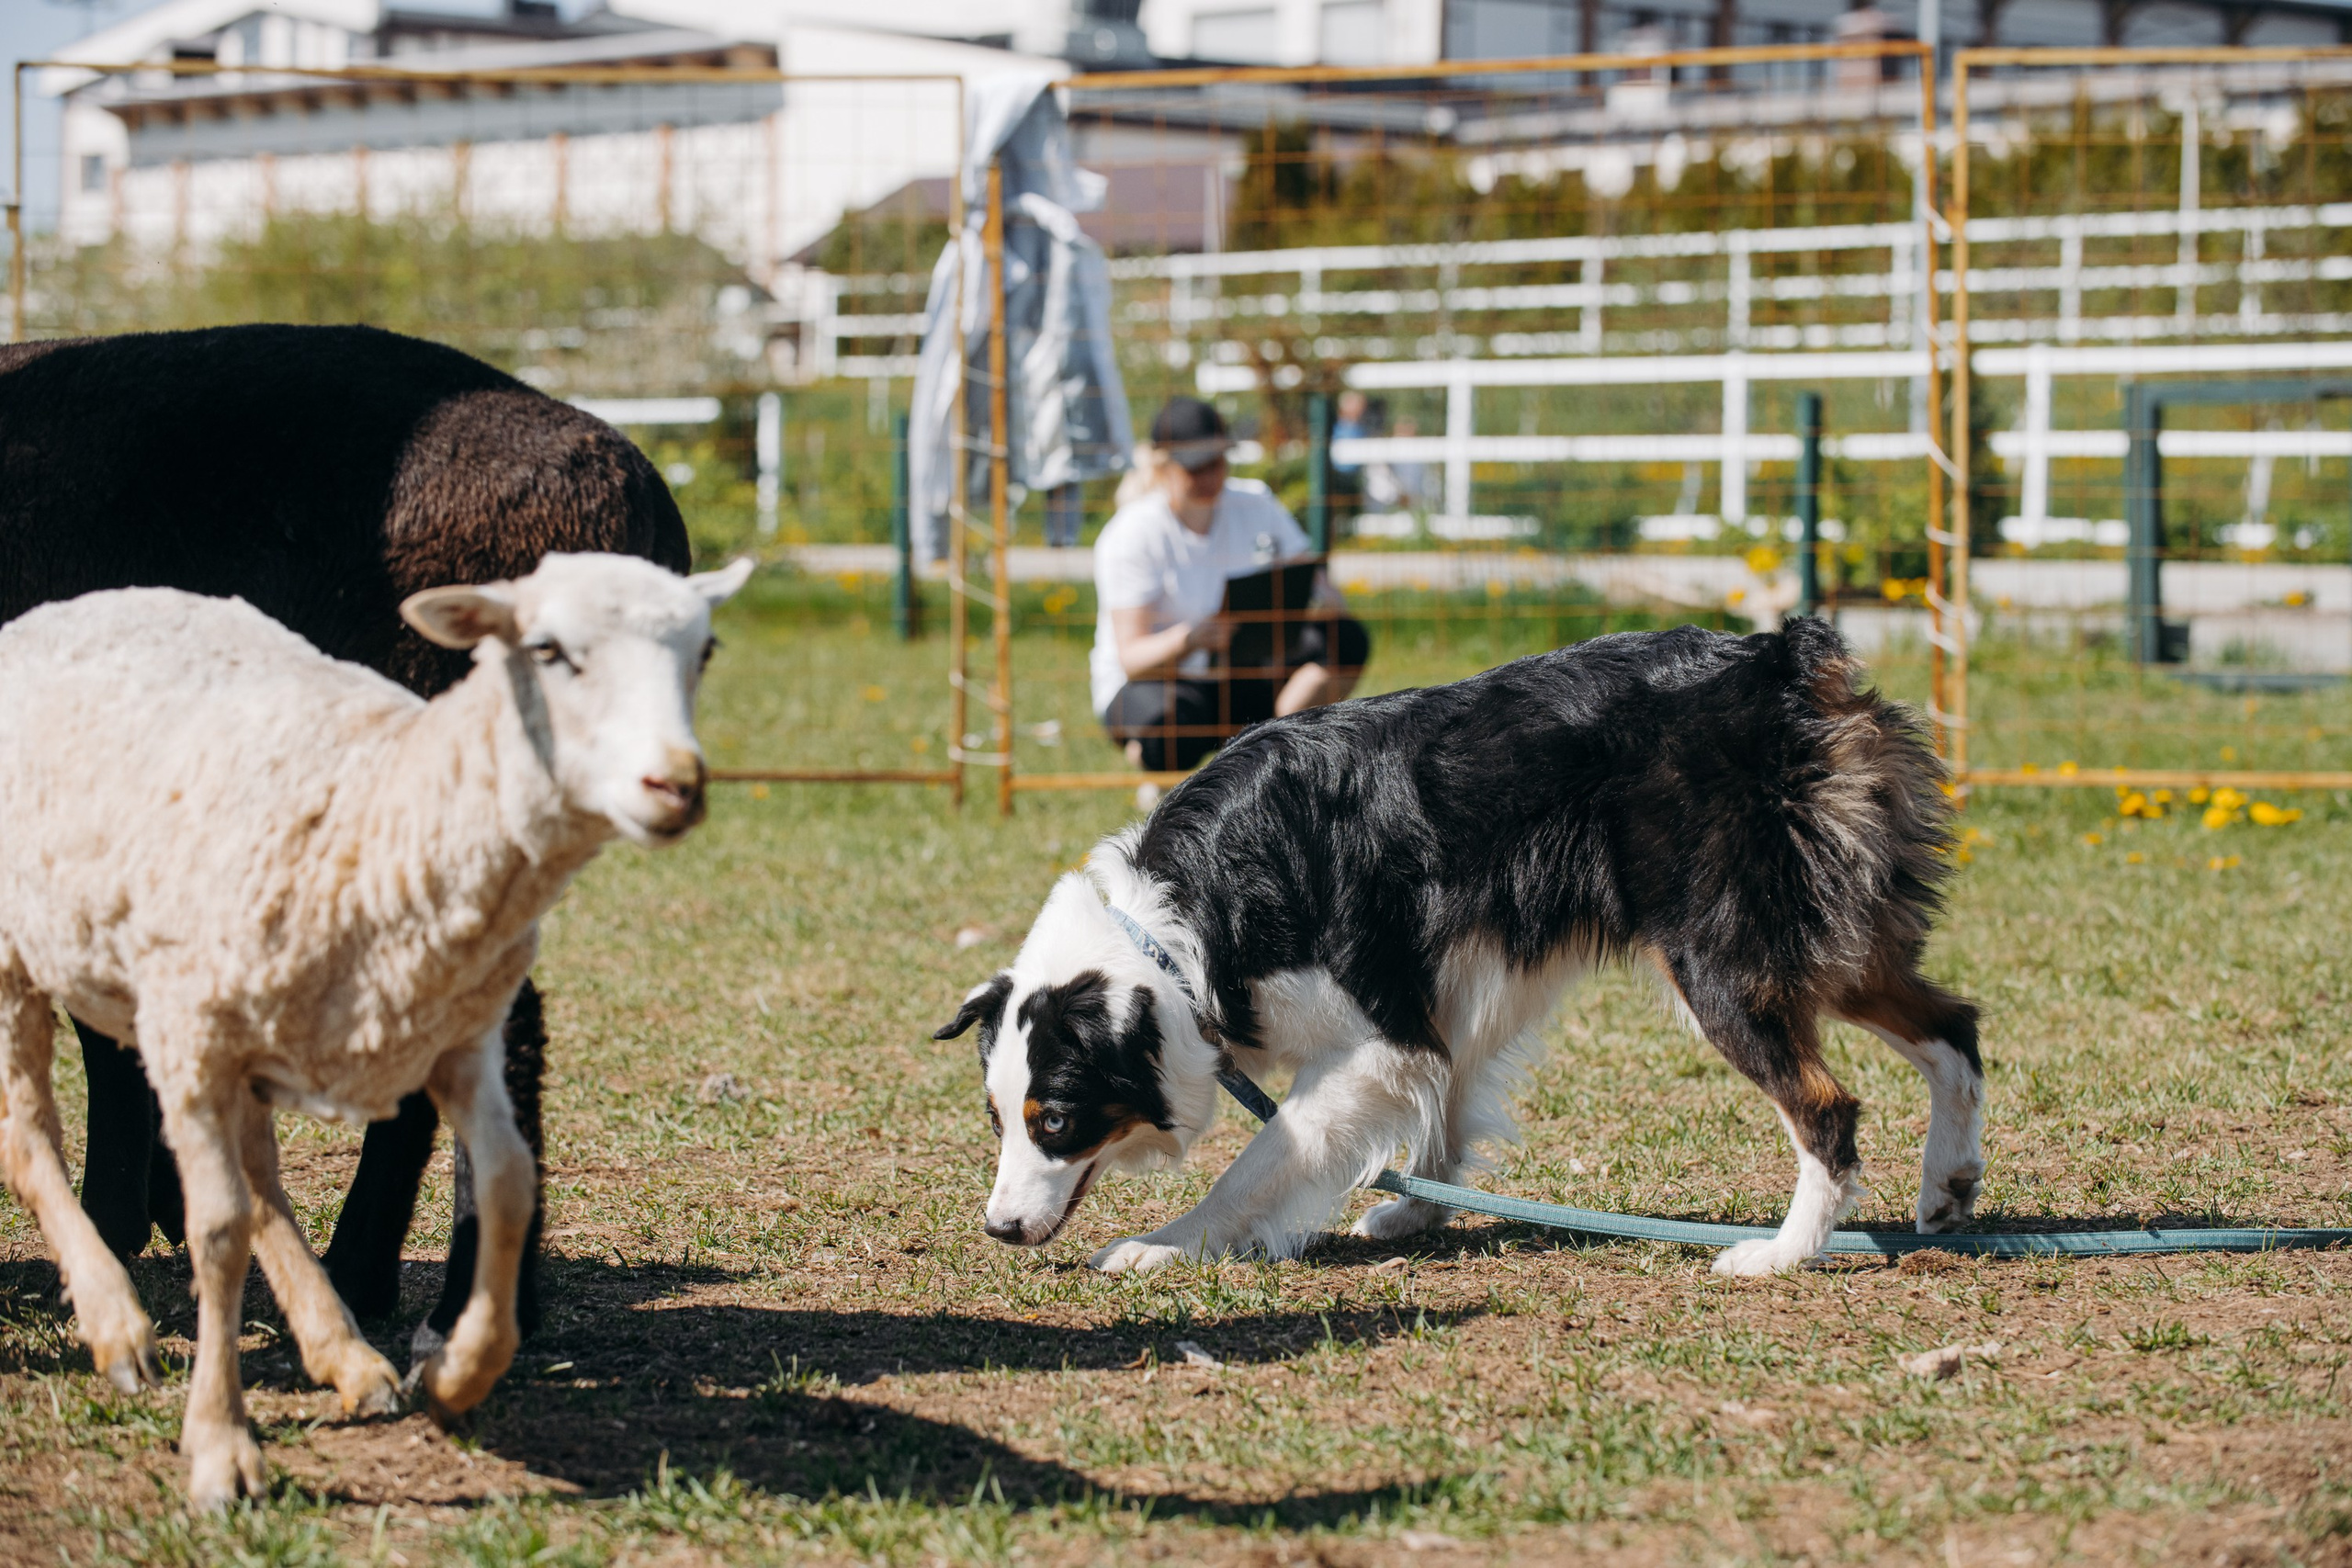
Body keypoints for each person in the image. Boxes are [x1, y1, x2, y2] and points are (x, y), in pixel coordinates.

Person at [1093, 398, 1370, 772]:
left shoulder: (1255, 502)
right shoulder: (1132, 534)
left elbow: (1311, 576)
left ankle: (1286, 739)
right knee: (1170, 730)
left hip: (1246, 669)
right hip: (1164, 682)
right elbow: (1132, 660)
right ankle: (1149, 759)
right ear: (1162, 469)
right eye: (1196, 468)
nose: (1211, 476)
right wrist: (1191, 638)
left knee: (1346, 637)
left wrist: (1320, 597)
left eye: (1219, 462)